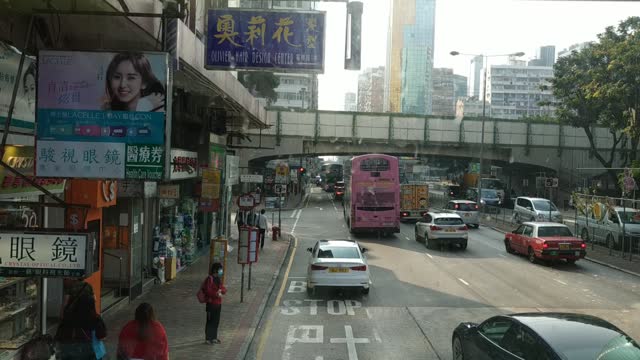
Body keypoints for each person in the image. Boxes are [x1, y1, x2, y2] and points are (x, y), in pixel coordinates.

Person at [55, 293, 106, 360]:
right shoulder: (95, 318)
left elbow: (59, 336)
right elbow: (101, 336)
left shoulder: (67, 317)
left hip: (69, 353)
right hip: (90, 353)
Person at [202, 262, 227, 344]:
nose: (221, 271)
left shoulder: (218, 279)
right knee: (210, 321)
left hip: (218, 304)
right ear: (215, 270)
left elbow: (223, 289)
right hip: (211, 304)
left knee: (216, 321)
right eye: (220, 269)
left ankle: (214, 337)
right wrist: (216, 293)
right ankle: (208, 338)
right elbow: (207, 291)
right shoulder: (210, 279)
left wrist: (222, 291)